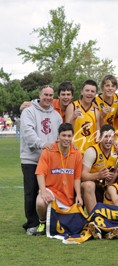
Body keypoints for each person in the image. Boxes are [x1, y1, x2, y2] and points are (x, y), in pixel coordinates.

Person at [20, 85, 63, 235]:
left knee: (50, 191)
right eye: (45, 94)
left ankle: (48, 222)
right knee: (31, 192)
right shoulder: (29, 111)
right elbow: (28, 133)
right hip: (31, 159)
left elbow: (59, 136)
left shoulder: (56, 115)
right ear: (40, 94)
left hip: (50, 161)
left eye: (51, 95)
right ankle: (32, 223)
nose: (48, 98)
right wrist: (42, 144)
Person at [34, 123, 83, 235]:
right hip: (51, 190)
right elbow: (40, 173)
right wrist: (43, 191)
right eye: (64, 135)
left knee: (64, 227)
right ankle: (42, 222)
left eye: (69, 136)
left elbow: (77, 177)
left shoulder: (77, 153)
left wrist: (79, 195)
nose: (66, 139)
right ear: (58, 136)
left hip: (67, 196)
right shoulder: (48, 151)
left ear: (72, 137)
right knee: (40, 203)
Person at [81, 125, 118, 214]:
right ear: (100, 137)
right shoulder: (92, 151)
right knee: (89, 185)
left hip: (106, 185)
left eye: (111, 137)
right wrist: (98, 175)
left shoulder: (117, 150)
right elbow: (82, 176)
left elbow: (117, 170)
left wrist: (115, 174)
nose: (108, 140)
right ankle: (94, 218)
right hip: (92, 185)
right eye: (106, 136)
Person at [65, 80, 102, 154]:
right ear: (82, 92)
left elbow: (98, 135)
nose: (89, 93)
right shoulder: (72, 106)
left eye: (92, 91)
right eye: (87, 90)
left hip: (90, 153)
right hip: (74, 151)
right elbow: (66, 130)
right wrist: (73, 118)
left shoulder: (96, 111)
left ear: (95, 94)